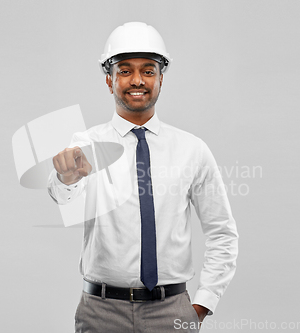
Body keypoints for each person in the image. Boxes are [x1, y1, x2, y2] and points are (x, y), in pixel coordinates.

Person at [48, 22, 238, 333]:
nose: (137, 80)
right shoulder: (87, 145)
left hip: (171, 311)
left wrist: (203, 303)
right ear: (109, 80)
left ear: (161, 79)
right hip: (101, 313)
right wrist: (65, 178)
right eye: (125, 70)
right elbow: (62, 195)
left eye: (148, 71)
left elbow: (222, 232)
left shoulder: (193, 150)